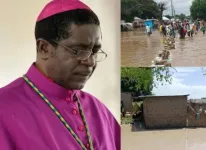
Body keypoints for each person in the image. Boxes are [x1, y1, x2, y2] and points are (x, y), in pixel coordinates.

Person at [0, 0, 120, 150]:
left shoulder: (99, 110)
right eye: (79, 50)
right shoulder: (3, 109)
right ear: (44, 48)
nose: (90, 62)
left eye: (94, 51)